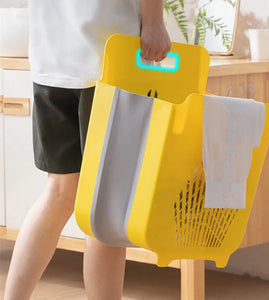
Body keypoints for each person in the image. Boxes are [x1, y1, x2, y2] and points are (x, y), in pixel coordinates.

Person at [4, 0, 172, 299]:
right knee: (106, 203)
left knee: (58, 193)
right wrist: (154, 20)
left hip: (52, 60)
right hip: (108, 56)